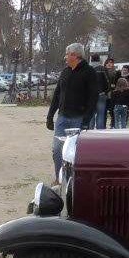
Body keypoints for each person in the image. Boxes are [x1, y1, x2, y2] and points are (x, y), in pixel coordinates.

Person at [46, 43, 99, 180]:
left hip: (79, 119)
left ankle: (76, 180)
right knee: (57, 150)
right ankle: (60, 178)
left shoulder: (89, 73)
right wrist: (50, 115)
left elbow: (93, 98)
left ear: (75, 55)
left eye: (67, 54)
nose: (65, 57)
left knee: (76, 153)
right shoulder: (65, 72)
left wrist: (86, 121)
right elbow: (57, 95)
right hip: (63, 118)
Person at [90, 54, 109, 130]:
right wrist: (106, 91)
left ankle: (90, 132)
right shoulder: (102, 69)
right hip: (101, 94)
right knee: (100, 115)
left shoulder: (88, 69)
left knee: (91, 115)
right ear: (99, 60)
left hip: (90, 96)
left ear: (91, 60)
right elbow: (107, 81)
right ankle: (99, 132)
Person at [103, 58, 119, 128]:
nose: (109, 64)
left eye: (111, 63)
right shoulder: (103, 71)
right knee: (104, 111)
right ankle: (103, 125)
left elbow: (117, 82)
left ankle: (113, 124)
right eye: (108, 63)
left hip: (113, 93)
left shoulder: (115, 72)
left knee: (112, 110)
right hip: (104, 93)